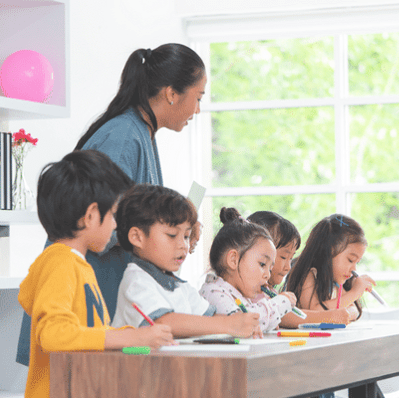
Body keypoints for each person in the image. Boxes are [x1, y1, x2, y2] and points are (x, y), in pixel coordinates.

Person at [16, 43, 206, 366]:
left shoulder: (141, 134)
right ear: (172, 93)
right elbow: (57, 335)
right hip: (77, 344)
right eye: (198, 98)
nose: (198, 110)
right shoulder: (123, 138)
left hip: (93, 337)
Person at [18, 150, 174, 398]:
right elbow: (53, 335)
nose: (115, 224)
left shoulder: (78, 265)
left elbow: (90, 332)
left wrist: (135, 337)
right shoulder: (60, 264)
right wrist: (131, 339)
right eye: (112, 214)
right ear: (91, 215)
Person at [111, 185, 261, 338]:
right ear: (137, 237)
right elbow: (165, 322)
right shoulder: (136, 281)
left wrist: (241, 322)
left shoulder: (180, 286)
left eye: (186, 236)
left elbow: (208, 318)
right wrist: (229, 325)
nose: (183, 244)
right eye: (171, 235)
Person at [247, 211, 358, 328]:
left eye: (291, 258)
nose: (288, 267)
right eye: (284, 257)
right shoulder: (251, 293)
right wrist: (329, 317)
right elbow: (285, 316)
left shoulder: (268, 291)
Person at [199, 208, 297, 334]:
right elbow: (242, 322)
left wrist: (269, 323)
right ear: (234, 260)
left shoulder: (241, 296)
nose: (267, 274)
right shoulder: (213, 291)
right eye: (262, 264)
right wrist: (278, 304)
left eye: (270, 268)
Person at [286, 214, 377, 321]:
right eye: (350, 260)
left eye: (357, 262)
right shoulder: (309, 275)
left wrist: (346, 310)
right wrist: (354, 293)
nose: (354, 269)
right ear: (328, 252)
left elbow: (354, 309)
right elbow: (314, 312)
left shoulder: (335, 282)